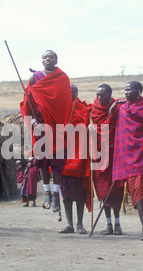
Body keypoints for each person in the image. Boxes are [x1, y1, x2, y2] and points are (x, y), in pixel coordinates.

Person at [20, 50, 72, 214]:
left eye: (51, 56)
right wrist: (32, 121)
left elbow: (66, 102)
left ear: (56, 60)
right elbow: (27, 101)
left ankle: (56, 194)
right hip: (40, 124)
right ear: (41, 61)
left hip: (58, 125)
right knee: (42, 159)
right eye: (45, 57)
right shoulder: (34, 78)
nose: (47, 58)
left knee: (57, 159)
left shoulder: (62, 78)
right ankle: (47, 193)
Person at [111, 81, 143, 240]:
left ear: (139, 92)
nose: (126, 93)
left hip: (142, 156)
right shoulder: (122, 108)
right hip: (126, 159)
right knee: (135, 193)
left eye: (129, 90)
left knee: (142, 193)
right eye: (125, 90)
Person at [90, 84, 125, 235]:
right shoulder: (93, 108)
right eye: (98, 94)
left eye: (103, 94)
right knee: (103, 190)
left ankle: (117, 224)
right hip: (99, 155)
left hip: (115, 154)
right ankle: (108, 224)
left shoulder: (117, 106)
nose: (99, 97)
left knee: (116, 189)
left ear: (110, 94)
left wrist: (117, 104)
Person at [59, 84, 92, 234]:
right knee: (66, 194)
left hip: (79, 157)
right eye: (66, 92)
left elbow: (85, 126)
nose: (69, 94)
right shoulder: (59, 109)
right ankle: (69, 224)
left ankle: (80, 224)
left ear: (77, 93)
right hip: (63, 156)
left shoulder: (83, 109)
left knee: (80, 193)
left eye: (71, 92)